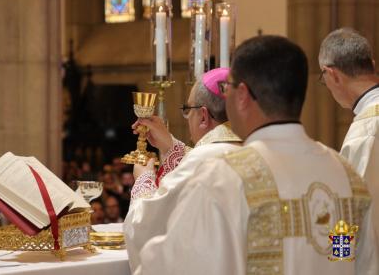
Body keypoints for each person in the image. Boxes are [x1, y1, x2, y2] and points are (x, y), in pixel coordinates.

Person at [130, 35, 378, 274]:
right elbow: (352, 260)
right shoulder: (345, 176)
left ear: (242, 95)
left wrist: (143, 182)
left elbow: (175, 262)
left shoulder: (224, 178)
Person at [124, 68, 241, 271]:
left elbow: (145, 227)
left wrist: (144, 182)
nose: (187, 118)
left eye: (188, 110)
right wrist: (170, 146)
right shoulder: (253, 151)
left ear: (203, 116)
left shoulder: (199, 161)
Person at [319, 28, 379, 241]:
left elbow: (350, 208)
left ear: (332, 74)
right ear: (371, 65)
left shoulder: (366, 130)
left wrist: (339, 259)